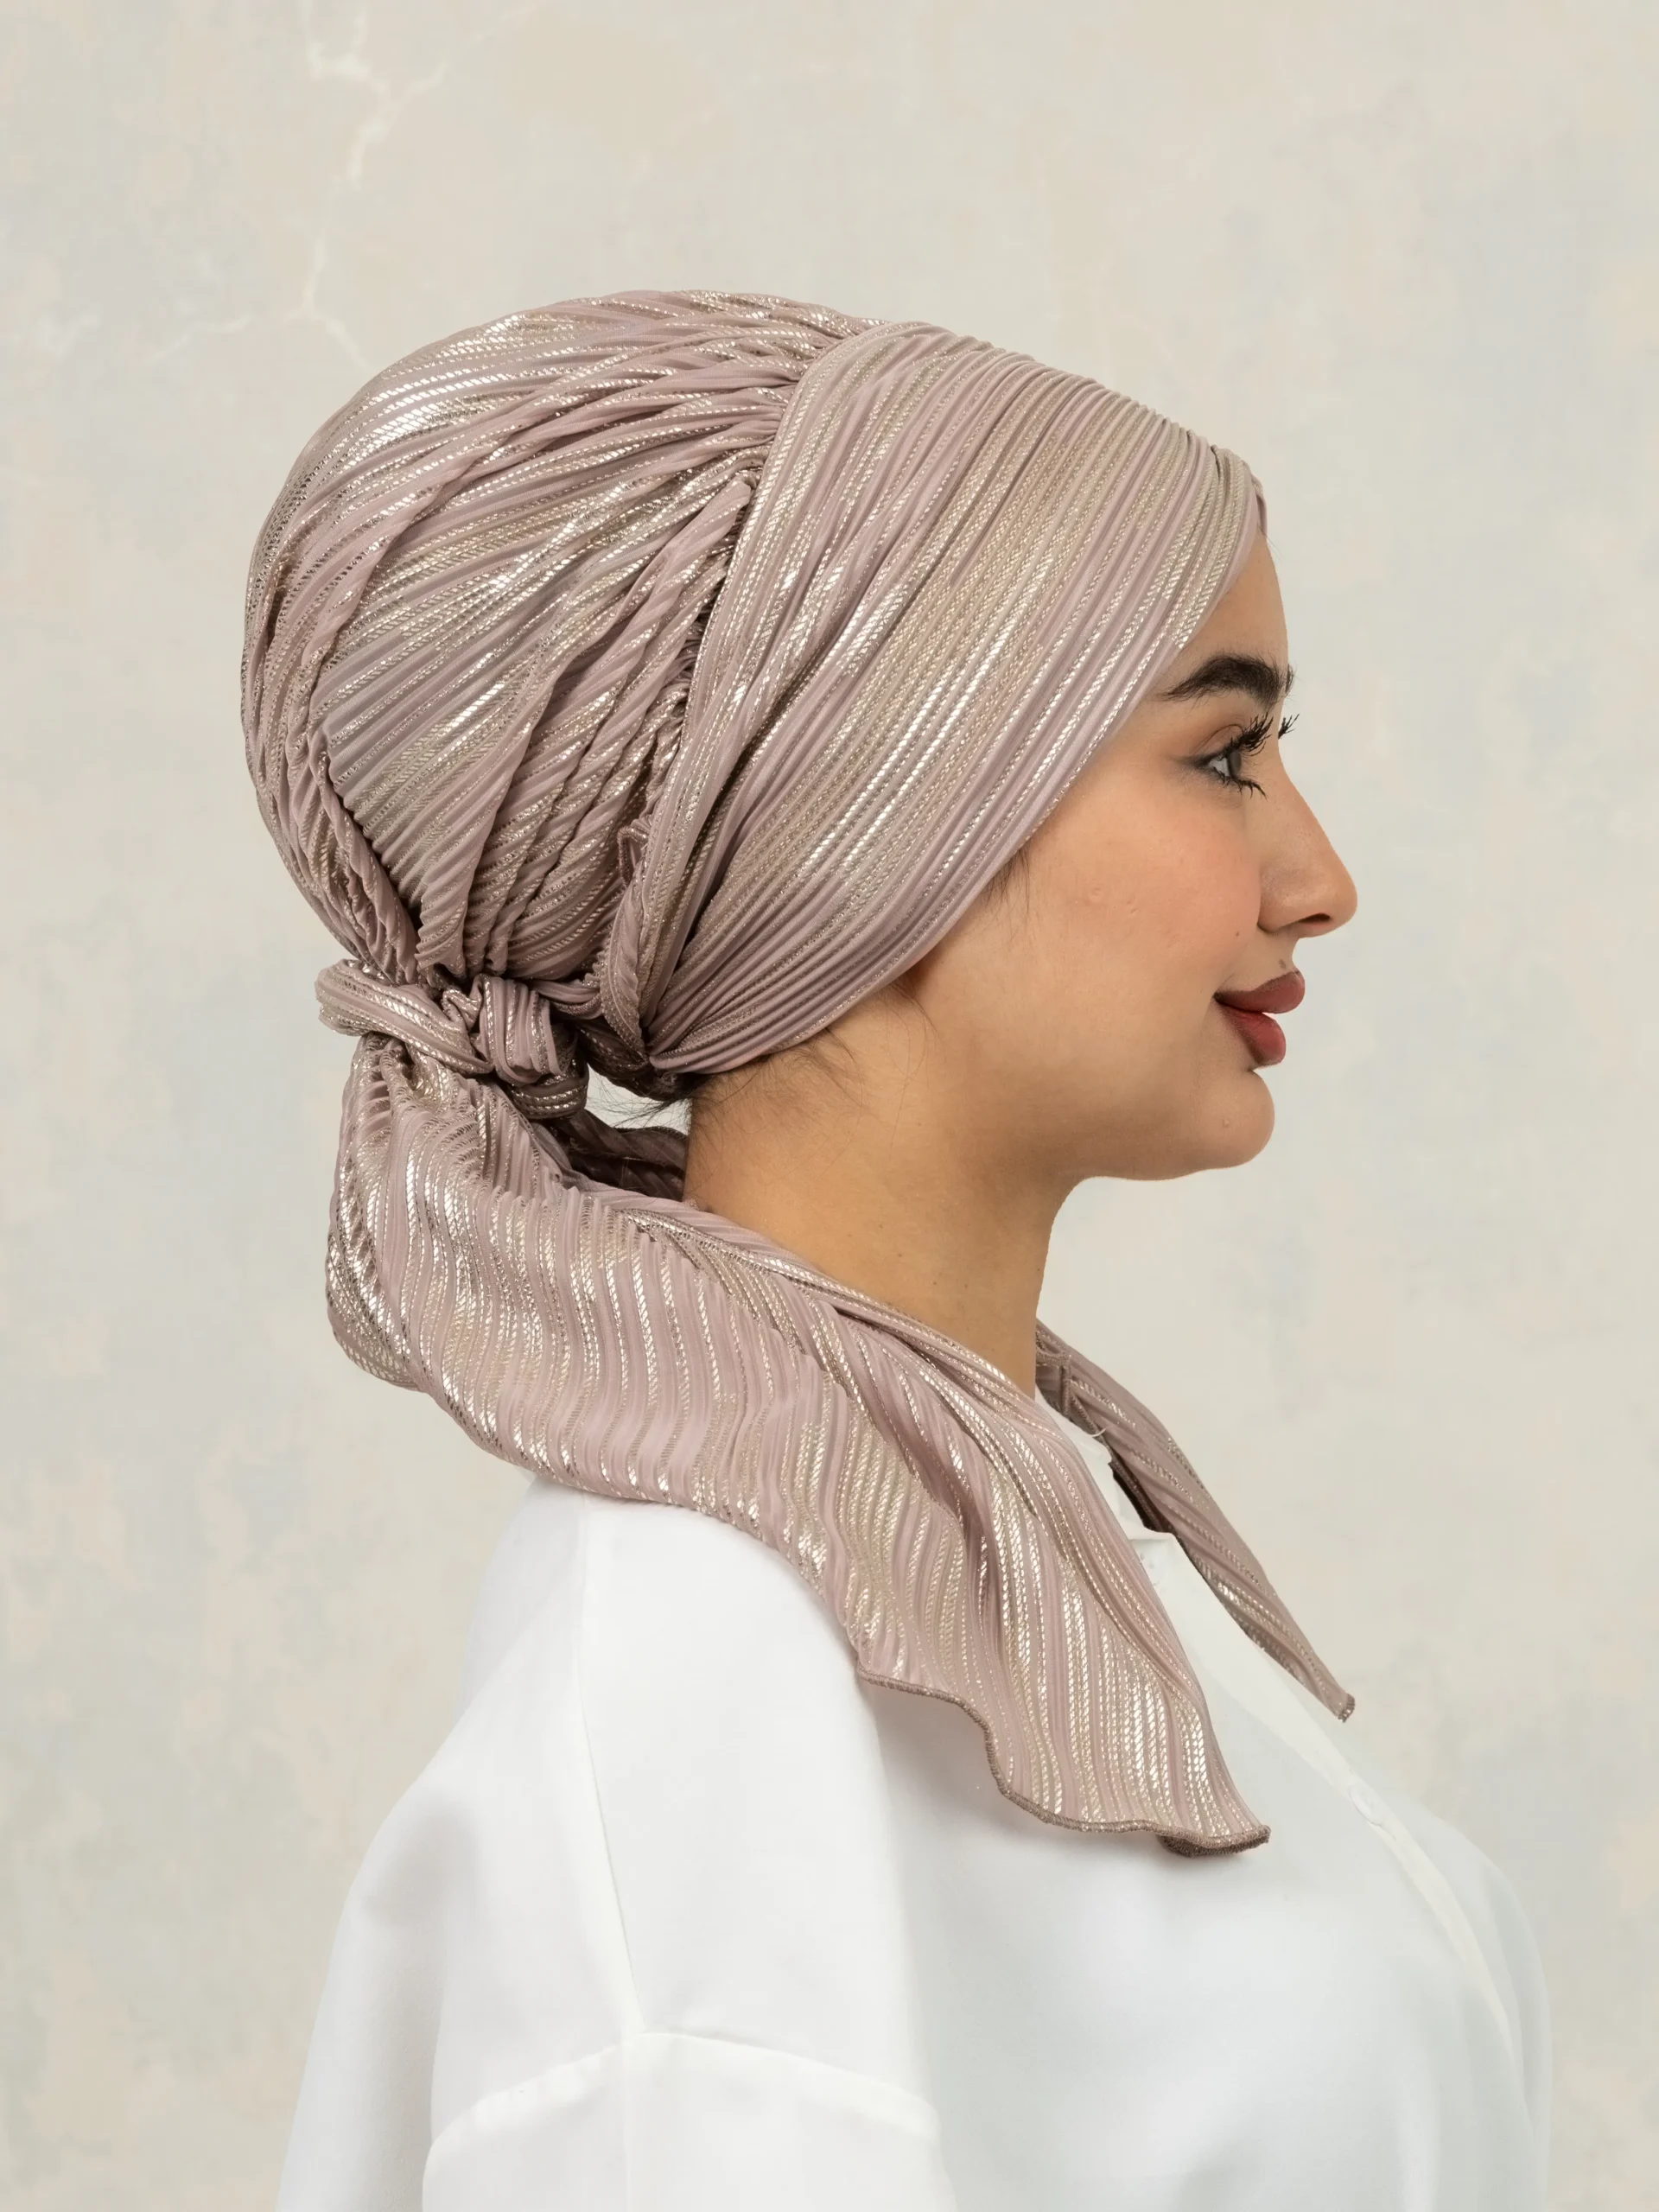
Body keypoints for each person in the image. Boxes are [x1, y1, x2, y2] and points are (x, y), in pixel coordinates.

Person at [245, 292, 1549, 2211]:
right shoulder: (705, 1664)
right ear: (880, 816)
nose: (1319, 878)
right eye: (1224, 752)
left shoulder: (1014, 1535)